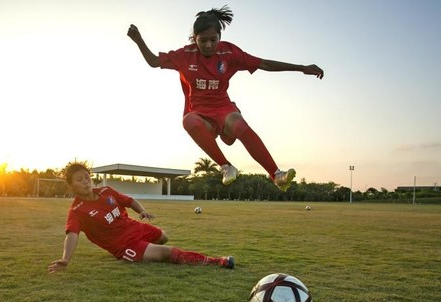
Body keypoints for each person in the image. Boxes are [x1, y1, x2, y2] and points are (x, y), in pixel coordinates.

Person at [127, 5, 324, 191]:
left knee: (239, 125)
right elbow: (154, 61)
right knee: (189, 121)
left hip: (224, 108)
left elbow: (263, 63)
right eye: (203, 40)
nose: (208, 45)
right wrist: (139, 40)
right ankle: (226, 166)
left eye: (213, 39)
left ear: (219, 37)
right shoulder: (185, 56)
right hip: (202, 116)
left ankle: (276, 175)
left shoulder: (229, 52)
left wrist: (301, 68)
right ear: (194, 38)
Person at [48, 163, 234, 273]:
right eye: (79, 180)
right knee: (165, 252)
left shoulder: (106, 191)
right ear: (71, 186)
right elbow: (72, 235)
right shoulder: (77, 211)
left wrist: (142, 211)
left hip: (134, 228)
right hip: (124, 245)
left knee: (163, 236)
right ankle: (215, 261)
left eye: (87, 177)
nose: (85, 181)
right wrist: (65, 259)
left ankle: (145, 249)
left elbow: (129, 201)